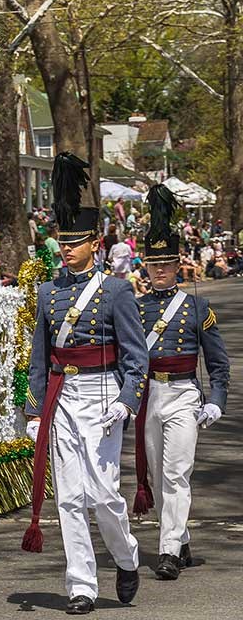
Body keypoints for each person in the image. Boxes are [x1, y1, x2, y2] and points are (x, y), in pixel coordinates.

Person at [21, 153, 146, 615]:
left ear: (94, 243)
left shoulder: (115, 290)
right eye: (62, 241)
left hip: (103, 395)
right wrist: (34, 411)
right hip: (64, 397)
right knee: (70, 497)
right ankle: (81, 585)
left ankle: (127, 555)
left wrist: (128, 401)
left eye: (75, 242)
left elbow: (137, 356)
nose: (66, 249)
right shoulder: (48, 292)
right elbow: (39, 356)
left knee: (104, 494)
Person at [131, 185, 230, 580]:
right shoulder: (135, 309)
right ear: (146, 267)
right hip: (149, 394)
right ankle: (182, 536)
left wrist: (217, 400)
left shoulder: (196, 307)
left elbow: (218, 363)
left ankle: (168, 550)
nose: (160, 271)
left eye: (167, 264)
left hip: (184, 393)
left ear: (177, 266)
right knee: (157, 473)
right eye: (154, 265)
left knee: (176, 473)